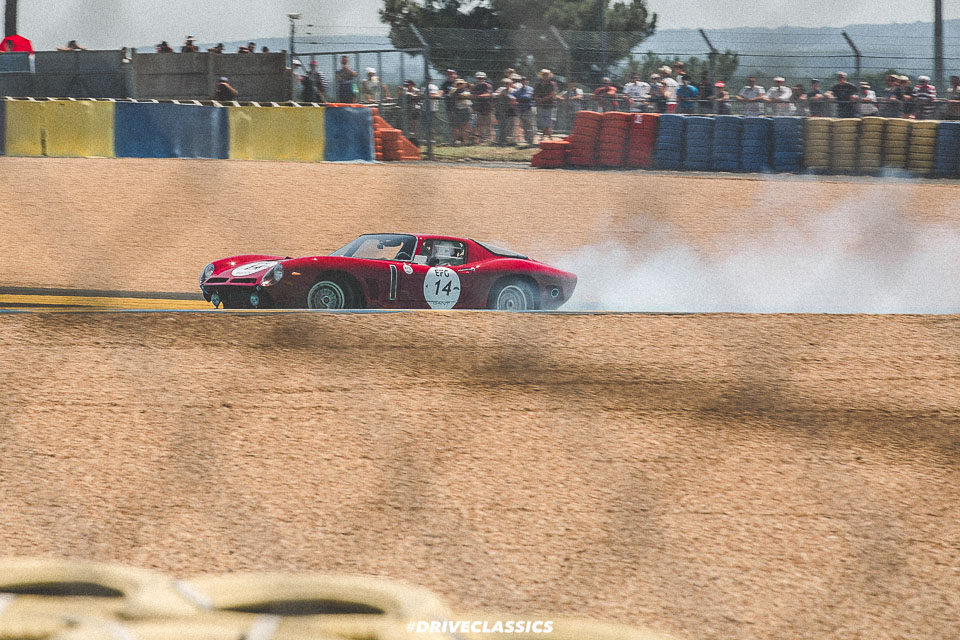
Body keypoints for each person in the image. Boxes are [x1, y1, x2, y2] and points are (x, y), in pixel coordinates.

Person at [533, 69, 558, 140]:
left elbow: (552, 94)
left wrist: (542, 99)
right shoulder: (538, 84)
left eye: (546, 75)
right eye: (544, 75)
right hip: (541, 104)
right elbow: (534, 93)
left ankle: (548, 135)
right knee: (542, 119)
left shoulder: (552, 84)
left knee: (549, 119)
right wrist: (537, 99)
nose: (545, 76)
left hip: (550, 104)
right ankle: (546, 135)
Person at [494, 78, 518, 145]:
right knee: (502, 125)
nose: (506, 85)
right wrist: (501, 95)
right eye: (505, 83)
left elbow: (515, 98)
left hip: (511, 110)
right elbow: (494, 95)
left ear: (511, 84)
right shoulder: (500, 89)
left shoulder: (514, 90)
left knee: (511, 125)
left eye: (508, 83)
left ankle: (511, 141)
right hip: (502, 109)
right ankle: (502, 140)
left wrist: (509, 97)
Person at [448, 78, 473, 144]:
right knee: (456, 125)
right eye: (458, 84)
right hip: (457, 109)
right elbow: (450, 100)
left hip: (466, 109)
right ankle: (457, 139)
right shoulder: (452, 91)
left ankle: (466, 139)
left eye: (460, 84)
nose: (459, 85)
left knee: (465, 124)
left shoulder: (467, 91)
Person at [513, 76, 536, 145]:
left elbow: (527, 97)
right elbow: (511, 95)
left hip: (529, 108)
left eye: (525, 80)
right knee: (525, 125)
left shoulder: (530, 88)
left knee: (531, 125)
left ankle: (531, 140)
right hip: (521, 109)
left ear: (528, 81)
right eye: (522, 80)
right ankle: (527, 140)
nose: (523, 81)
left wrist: (517, 98)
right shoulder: (519, 90)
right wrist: (514, 98)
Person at [471, 72, 494, 143]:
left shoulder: (488, 85)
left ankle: (491, 139)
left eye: (481, 78)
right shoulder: (475, 86)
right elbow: (472, 95)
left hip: (488, 107)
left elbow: (488, 94)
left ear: (484, 78)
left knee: (489, 124)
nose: (480, 79)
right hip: (478, 107)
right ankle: (480, 139)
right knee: (478, 124)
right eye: (478, 78)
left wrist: (477, 96)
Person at [401, 80, 423, 144]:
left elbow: (418, 97)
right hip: (407, 109)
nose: (407, 87)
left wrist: (410, 95)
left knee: (414, 124)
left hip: (415, 109)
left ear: (412, 85)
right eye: (405, 85)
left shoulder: (416, 90)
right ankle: (409, 138)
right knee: (408, 124)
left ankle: (415, 139)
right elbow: (400, 96)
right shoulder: (404, 90)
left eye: (408, 85)